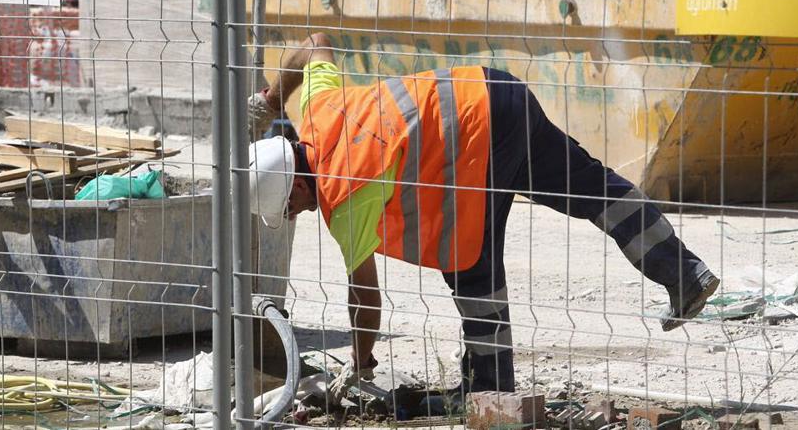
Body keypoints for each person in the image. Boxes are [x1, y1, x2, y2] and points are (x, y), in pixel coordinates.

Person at [247, 32, 718, 401]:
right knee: (592, 188)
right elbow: (313, 47)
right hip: (496, 90)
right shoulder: (318, 108)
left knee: (467, 256)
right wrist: (272, 101)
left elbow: (365, 296)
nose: (293, 216)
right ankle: (683, 272)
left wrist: (361, 360)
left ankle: (490, 388)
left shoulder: (342, 197)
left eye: (288, 206)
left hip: (477, 139)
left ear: (301, 183)